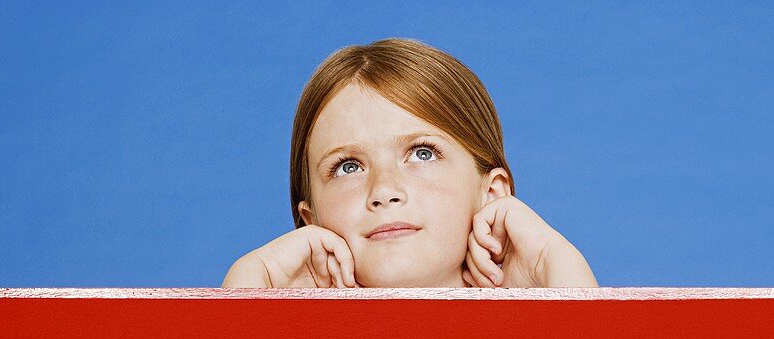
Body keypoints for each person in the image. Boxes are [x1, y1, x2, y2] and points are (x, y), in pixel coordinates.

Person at [222, 38, 597, 289]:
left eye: (422, 153)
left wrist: (558, 273)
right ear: (311, 220)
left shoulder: (538, 328)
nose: (384, 191)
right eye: (348, 166)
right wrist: (250, 293)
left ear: (493, 195)